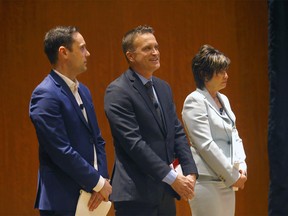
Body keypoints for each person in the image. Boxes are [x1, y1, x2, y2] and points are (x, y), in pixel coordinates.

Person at [104, 25, 198, 216]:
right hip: (135, 195)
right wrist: (173, 178)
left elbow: (177, 132)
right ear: (131, 56)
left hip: (164, 193)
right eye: (147, 48)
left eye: (156, 47)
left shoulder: (163, 88)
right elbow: (134, 144)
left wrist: (190, 172)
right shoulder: (118, 91)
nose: (155, 52)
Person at [29, 26, 112, 216]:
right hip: (62, 200)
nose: (88, 53)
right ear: (64, 52)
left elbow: (97, 139)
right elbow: (61, 150)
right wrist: (98, 183)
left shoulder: (84, 91)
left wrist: (102, 181)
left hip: (93, 197)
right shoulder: (45, 94)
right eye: (82, 48)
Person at [182, 44, 247, 216]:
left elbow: (234, 135)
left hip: (227, 181)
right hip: (207, 183)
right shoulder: (194, 100)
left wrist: (241, 166)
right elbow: (205, 145)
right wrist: (233, 175)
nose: (226, 75)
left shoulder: (223, 99)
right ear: (204, 74)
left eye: (226, 70)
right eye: (221, 71)